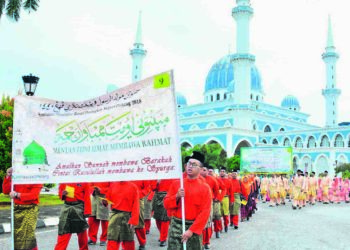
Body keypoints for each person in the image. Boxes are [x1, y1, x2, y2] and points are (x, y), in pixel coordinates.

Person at [164, 151, 212, 250]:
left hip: (193, 229)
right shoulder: (177, 184)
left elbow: (205, 212)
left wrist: (191, 230)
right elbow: (166, 204)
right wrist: (176, 196)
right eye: (189, 164)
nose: (190, 167)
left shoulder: (205, 188)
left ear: (201, 169)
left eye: (194, 165)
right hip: (176, 226)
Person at [2, 167, 43, 250]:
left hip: (30, 209)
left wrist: (17, 195)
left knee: (28, 237)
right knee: (17, 236)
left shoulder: (37, 177)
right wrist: (8, 176)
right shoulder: (18, 176)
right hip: (17, 209)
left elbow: (33, 195)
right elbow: (6, 190)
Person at [54, 183, 91, 250]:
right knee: (63, 231)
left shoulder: (84, 181)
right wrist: (63, 194)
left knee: (81, 231)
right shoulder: (64, 181)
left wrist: (87, 211)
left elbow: (87, 197)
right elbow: (60, 195)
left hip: (79, 207)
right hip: (66, 207)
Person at [104, 181, 140, 250]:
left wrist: (134, 220)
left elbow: (136, 205)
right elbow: (107, 199)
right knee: (112, 239)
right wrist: (104, 202)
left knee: (128, 240)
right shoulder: (113, 185)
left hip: (127, 217)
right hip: (114, 216)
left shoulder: (133, 187)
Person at [151, 178, 178, 247]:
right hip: (157, 197)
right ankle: (162, 235)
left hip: (168, 196)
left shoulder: (174, 175)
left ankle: (163, 239)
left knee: (164, 219)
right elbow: (153, 188)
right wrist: (157, 181)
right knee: (157, 218)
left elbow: (177, 186)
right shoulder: (157, 175)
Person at [200, 163, 219, 249]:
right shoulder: (197, 179)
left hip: (208, 203)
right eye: (201, 170)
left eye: (204, 170)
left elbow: (217, 190)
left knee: (207, 223)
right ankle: (201, 242)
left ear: (207, 171)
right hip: (198, 204)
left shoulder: (212, 179)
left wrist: (215, 198)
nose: (202, 171)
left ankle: (206, 242)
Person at [88, 182, 110, 246]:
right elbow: (89, 185)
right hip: (94, 197)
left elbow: (112, 187)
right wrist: (93, 190)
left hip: (105, 197)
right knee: (92, 218)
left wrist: (101, 190)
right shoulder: (94, 174)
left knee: (105, 219)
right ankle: (92, 238)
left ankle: (104, 239)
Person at [130, 180, 151, 250]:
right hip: (126, 199)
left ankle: (142, 243)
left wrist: (138, 194)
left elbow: (147, 188)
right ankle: (127, 245)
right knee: (125, 222)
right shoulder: (125, 171)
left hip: (138, 199)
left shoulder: (142, 172)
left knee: (139, 222)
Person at [218, 166, 233, 233]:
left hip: (226, 198)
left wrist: (232, 200)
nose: (222, 173)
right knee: (218, 214)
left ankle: (226, 225)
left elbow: (231, 191)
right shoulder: (216, 180)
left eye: (223, 171)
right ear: (219, 172)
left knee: (226, 213)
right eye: (221, 171)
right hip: (218, 199)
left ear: (225, 172)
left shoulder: (228, 181)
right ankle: (219, 227)